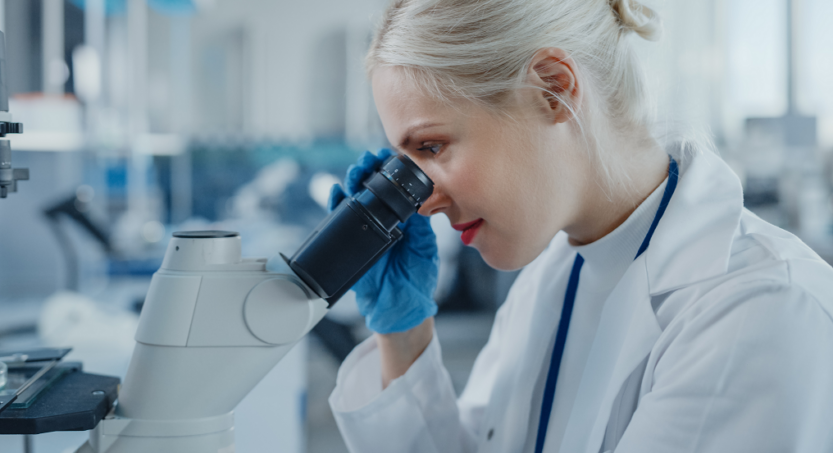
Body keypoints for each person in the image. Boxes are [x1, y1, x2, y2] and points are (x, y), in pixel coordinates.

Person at [326, 0, 833, 452]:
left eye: (431, 148)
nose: (420, 202)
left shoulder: (761, 310)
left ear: (552, 88)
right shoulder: (548, 279)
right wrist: (404, 336)